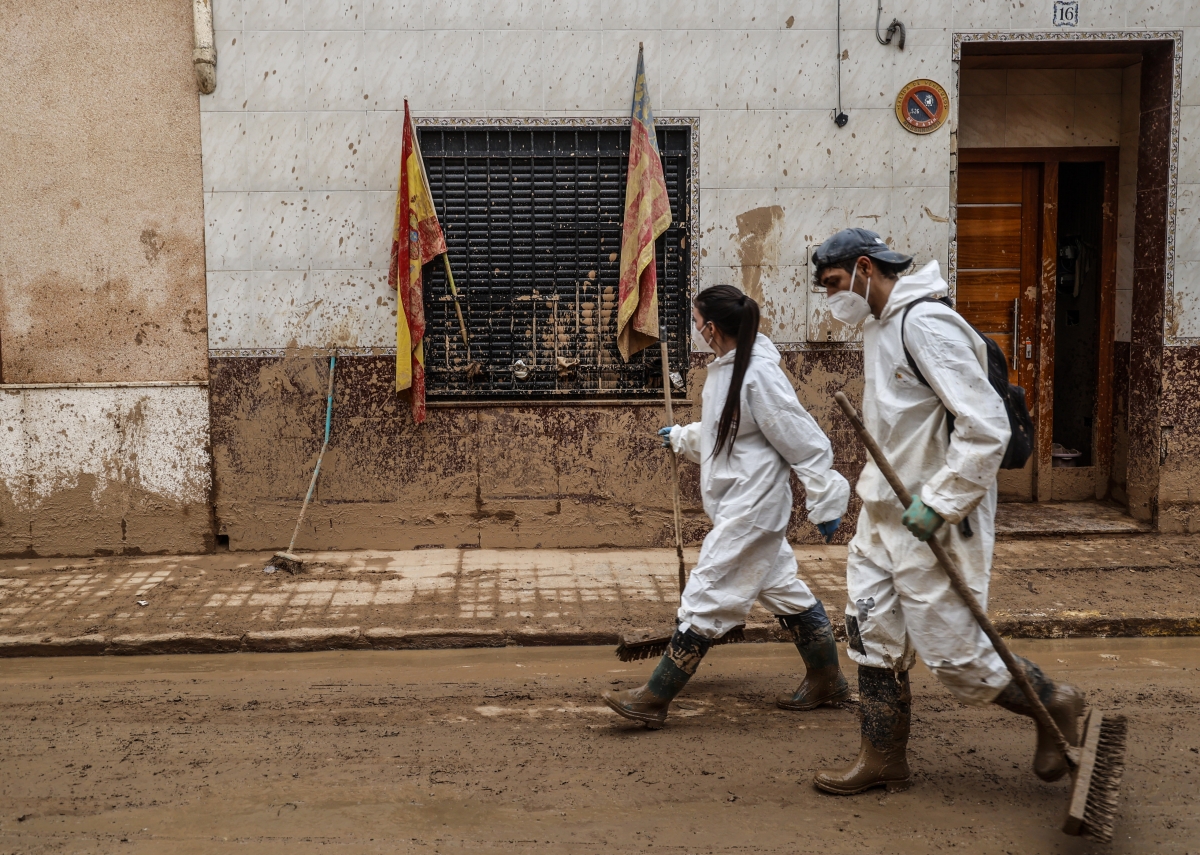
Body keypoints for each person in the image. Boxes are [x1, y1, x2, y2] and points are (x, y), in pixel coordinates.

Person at [809, 228, 1084, 794]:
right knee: (872, 634)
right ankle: (882, 757)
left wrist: (938, 502)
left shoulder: (925, 325)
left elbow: (986, 427)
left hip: (937, 515)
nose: (832, 298)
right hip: (884, 512)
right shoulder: (878, 327)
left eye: (834, 283)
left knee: (957, 659)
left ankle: (1054, 702)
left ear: (865, 267)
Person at [603, 285, 852, 728]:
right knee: (783, 589)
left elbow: (806, 443)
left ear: (712, 328)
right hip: (739, 501)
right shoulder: (726, 369)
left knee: (707, 590)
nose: (696, 330)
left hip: (753, 508)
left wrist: (826, 499)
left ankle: (655, 697)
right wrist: (684, 437)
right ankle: (826, 678)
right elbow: (729, 432)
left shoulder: (759, 375)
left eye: (697, 323)